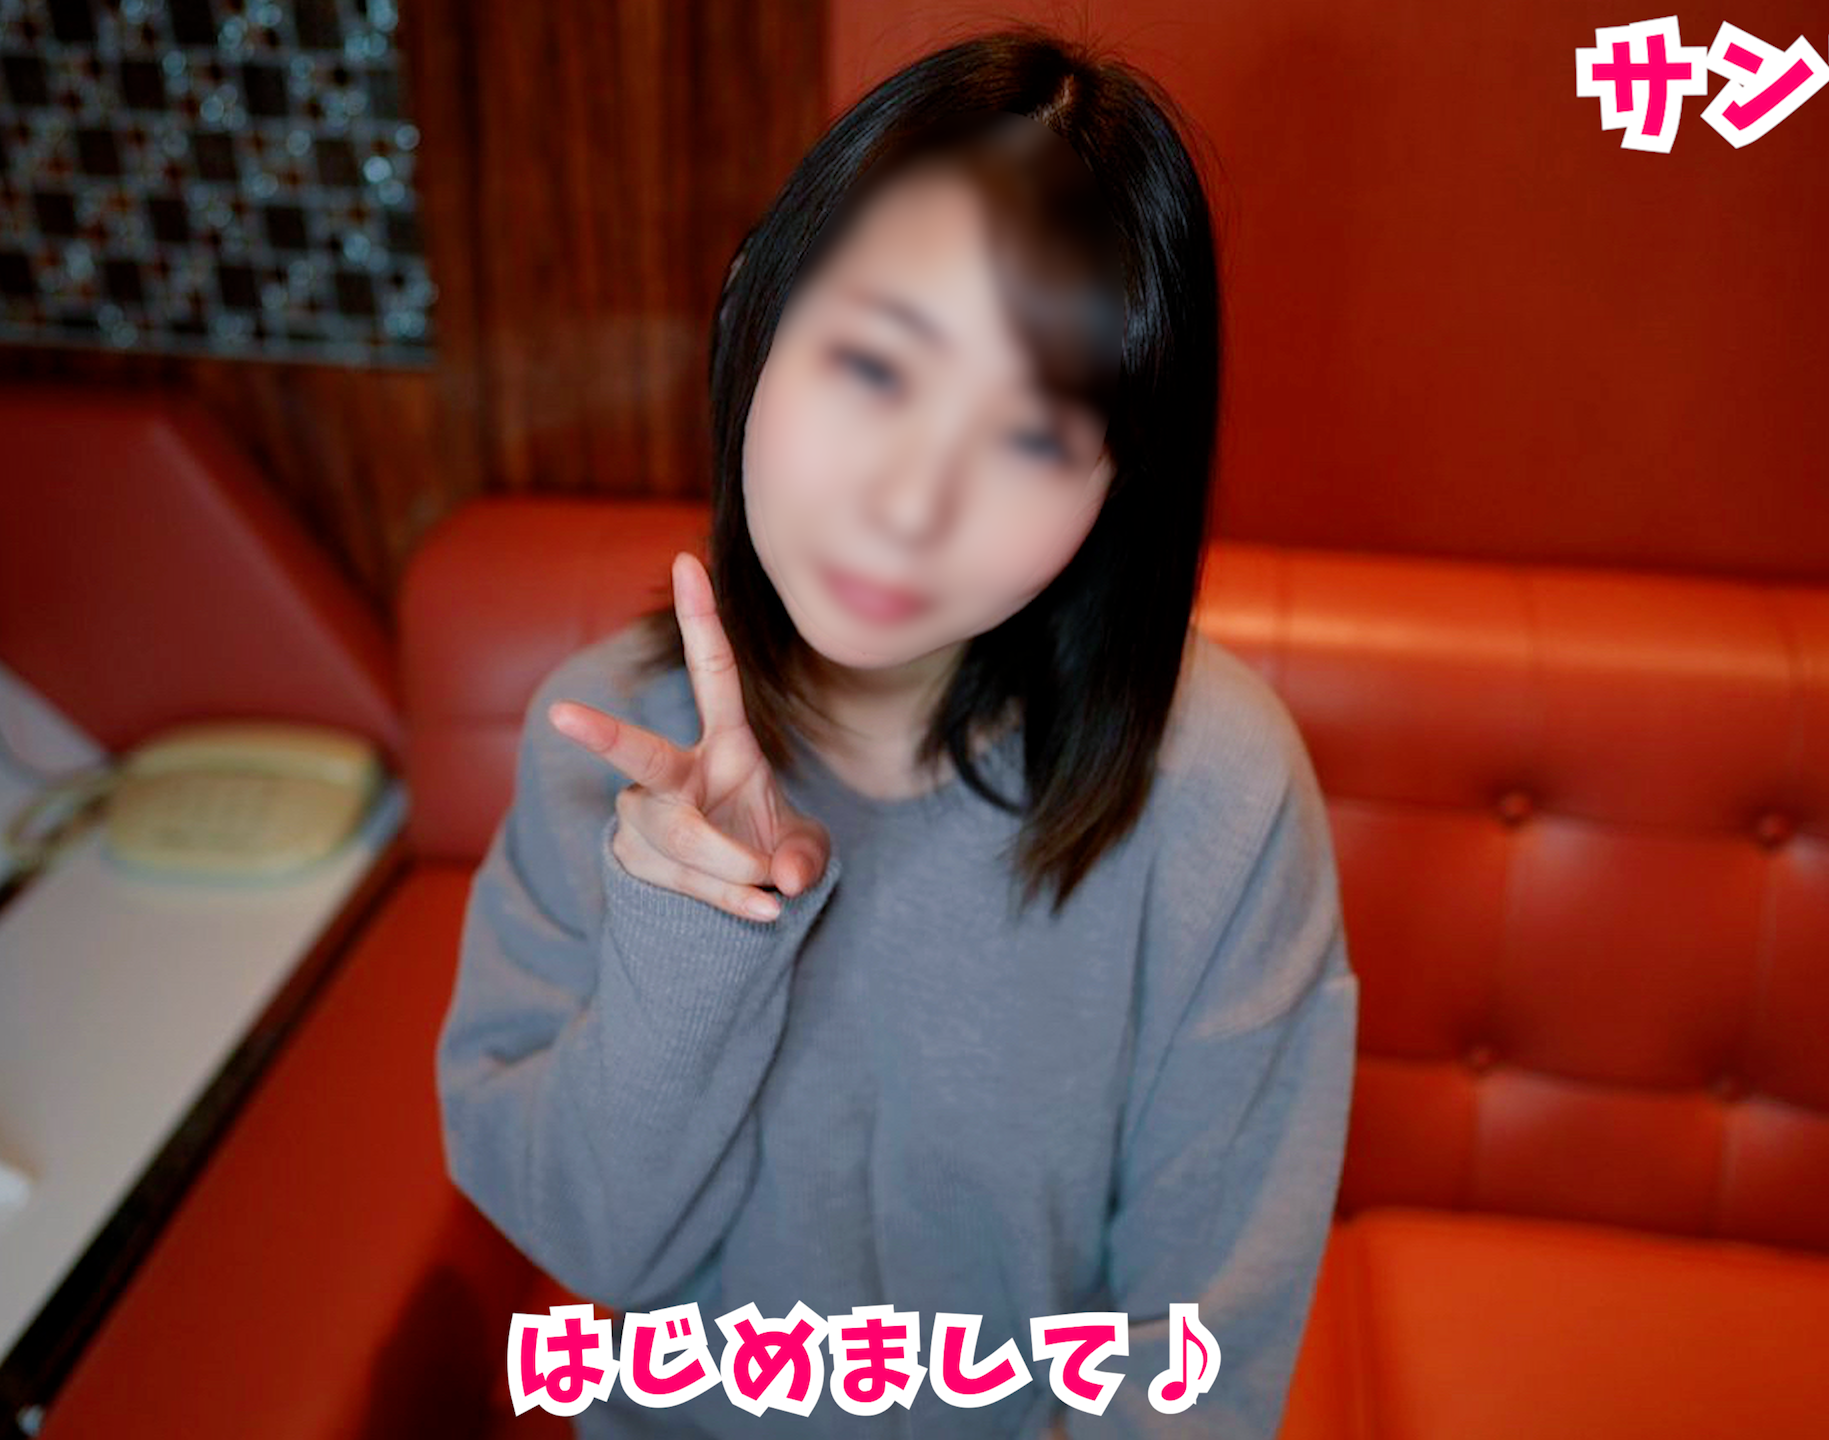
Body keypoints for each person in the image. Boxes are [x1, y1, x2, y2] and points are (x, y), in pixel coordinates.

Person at [435, 24, 1358, 1440]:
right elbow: (594, 1249)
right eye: (874, 366)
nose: (914, 503)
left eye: (1032, 437)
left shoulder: (1217, 792)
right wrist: (691, 933)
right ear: (753, 312)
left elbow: (1198, 1363)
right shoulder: (606, 746)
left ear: (1117, 487)